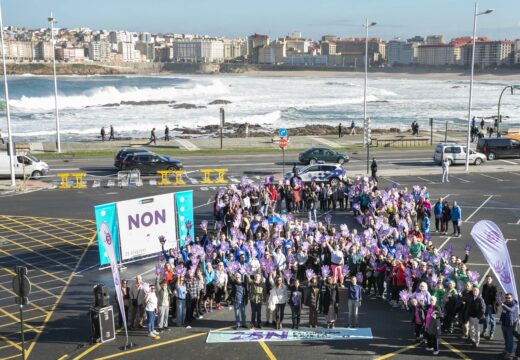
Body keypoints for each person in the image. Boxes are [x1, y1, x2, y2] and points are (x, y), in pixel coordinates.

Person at [500, 293, 519, 360]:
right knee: (506, 338)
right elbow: (503, 312)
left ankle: (510, 353)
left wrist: (503, 305)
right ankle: (506, 350)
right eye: (506, 297)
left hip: (510, 324)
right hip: (504, 323)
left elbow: (511, 310)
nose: (507, 299)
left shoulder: (514, 304)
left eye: (509, 298)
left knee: (510, 339)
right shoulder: (506, 303)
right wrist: (501, 320)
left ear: (512, 298)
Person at [481, 275, 498, 340]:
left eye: (489, 279)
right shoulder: (484, 286)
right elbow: (483, 294)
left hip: (490, 306)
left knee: (492, 319)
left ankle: (492, 333)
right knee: (485, 319)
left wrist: (492, 304)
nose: (488, 280)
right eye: (487, 279)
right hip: (485, 305)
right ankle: (485, 331)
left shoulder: (494, 287)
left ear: (491, 280)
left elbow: (496, 297)